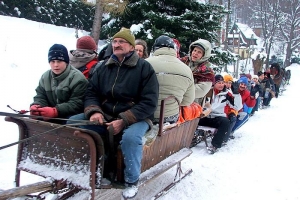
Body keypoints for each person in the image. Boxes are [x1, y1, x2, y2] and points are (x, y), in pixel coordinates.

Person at [67, 27, 159, 199]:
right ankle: (89, 168)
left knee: (131, 139)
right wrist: (94, 112)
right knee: (72, 122)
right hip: (106, 114)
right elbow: (91, 92)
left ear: (131, 47)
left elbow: (149, 102)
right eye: (115, 41)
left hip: (137, 117)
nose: (117, 45)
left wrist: (123, 120)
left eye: (122, 42)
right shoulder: (104, 66)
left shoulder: (145, 68)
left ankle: (131, 181)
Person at [30, 44, 88, 122]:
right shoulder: (45, 77)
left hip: (70, 117)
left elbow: (77, 103)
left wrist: (56, 111)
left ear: (66, 62)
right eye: (52, 61)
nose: (56, 65)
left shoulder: (78, 78)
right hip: (48, 115)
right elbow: (40, 95)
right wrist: (37, 106)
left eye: (59, 61)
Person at [146, 35, 195, 124]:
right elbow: (188, 100)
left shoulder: (145, 64)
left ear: (155, 49)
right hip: (170, 117)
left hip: (146, 115)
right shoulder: (186, 69)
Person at [198, 75, 242, 154]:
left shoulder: (227, 94)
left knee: (226, 122)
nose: (221, 85)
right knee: (193, 119)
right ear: (214, 83)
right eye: (219, 83)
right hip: (205, 116)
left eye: (222, 83)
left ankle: (215, 144)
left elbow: (237, 107)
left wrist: (236, 94)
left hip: (217, 117)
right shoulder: (207, 91)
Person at [222, 74, 241, 142]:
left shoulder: (231, 92)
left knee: (233, 118)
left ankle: (226, 137)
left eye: (230, 83)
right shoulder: (220, 89)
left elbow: (237, 106)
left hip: (229, 111)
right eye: (226, 82)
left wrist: (236, 93)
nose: (228, 84)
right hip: (221, 111)